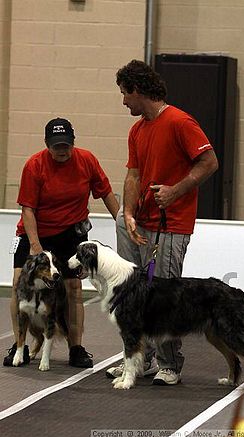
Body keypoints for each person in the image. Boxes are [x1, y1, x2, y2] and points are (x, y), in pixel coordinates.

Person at [106, 59, 218, 385]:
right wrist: (126, 214)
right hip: (139, 223)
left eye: (125, 94)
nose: (123, 100)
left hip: (171, 224)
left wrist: (175, 191)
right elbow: (133, 175)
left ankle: (170, 364)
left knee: (164, 297)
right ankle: (137, 359)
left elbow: (209, 162)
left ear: (137, 90)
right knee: (131, 294)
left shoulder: (180, 122)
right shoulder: (137, 129)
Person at [3, 117, 119, 368]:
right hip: (34, 231)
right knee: (16, 284)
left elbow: (107, 193)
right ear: (47, 144)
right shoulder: (34, 165)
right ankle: (19, 345)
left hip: (70, 233)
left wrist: (122, 223)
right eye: (56, 146)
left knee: (73, 289)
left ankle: (75, 348)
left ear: (73, 143)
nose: (62, 150)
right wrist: (35, 248)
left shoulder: (87, 160)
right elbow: (28, 209)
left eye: (66, 145)